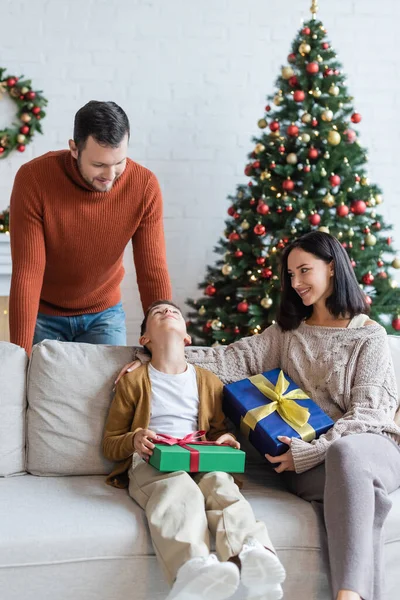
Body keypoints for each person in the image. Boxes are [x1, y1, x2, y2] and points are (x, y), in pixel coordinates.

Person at [116, 232, 400, 600]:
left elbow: (369, 414)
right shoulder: (287, 334)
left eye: (304, 271)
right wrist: (156, 356)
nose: (295, 283)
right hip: (312, 467)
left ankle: (349, 595)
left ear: (331, 268)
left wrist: (312, 451)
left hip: (370, 450)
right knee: (344, 475)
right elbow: (228, 360)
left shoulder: (369, 336)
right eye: (289, 275)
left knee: (346, 454)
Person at [103, 300, 286, 600]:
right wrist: (134, 439)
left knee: (222, 486)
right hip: (154, 460)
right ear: (144, 339)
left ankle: (253, 556)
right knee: (178, 490)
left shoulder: (207, 380)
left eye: (174, 311)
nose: (167, 311)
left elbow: (217, 431)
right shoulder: (134, 381)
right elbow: (111, 442)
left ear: (187, 338)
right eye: (157, 313)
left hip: (202, 455)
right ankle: (192, 568)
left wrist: (226, 439)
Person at [9, 100, 172, 355]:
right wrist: (19, 356)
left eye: (119, 162)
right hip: (45, 315)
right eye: (99, 165)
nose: (111, 174)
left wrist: (165, 344)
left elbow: (152, 270)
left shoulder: (144, 186)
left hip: (104, 314)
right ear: (74, 149)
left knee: (109, 393)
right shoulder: (34, 179)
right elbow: (27, 273)